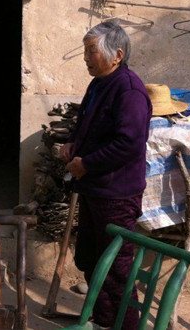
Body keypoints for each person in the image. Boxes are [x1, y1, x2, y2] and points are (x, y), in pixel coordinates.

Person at [60, 20, 152, 329]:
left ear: (117, 55)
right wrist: (73, 143)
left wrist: (87, 164)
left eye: (91, 51)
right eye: (85, 51)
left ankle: (126, 325)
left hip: (117, 194)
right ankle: (103, 321)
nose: (86, 58)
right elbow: (86, 125)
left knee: (116, 269)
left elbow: (129, 143)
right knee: (90, 260)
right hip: (95, 189)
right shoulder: (99, 83)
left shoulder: (129, 90)